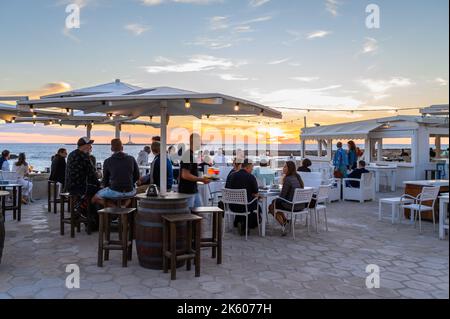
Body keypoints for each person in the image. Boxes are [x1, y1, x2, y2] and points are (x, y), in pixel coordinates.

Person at [92, 139, 140, 208]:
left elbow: (105, 180)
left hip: (115, 191)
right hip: (130, 191)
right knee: (129, 196)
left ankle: (116, 208)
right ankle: (123, 208)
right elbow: (137, 176)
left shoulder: (107, 161)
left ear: (111, 149)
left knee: (95, 198)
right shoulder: (131, 159)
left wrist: (109, 186)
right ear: (122, 148)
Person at [66, 137, 101, 227]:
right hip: (81, 187)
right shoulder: (84, 156)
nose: (91, 147)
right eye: (89, 145)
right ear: (84, 146)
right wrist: (99, 182)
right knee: (100, 192)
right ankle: (92, 220)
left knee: (95, 191)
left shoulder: (71, 154)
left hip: (70, 186)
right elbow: (92, 174)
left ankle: (80, 211)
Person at [269, 161, 305, 236]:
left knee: (272, 206)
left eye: (285, 166)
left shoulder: (288, 179)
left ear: (289, 169)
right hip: (300, 205)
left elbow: (282, 197)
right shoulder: (297, 177)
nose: (283, 168)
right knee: (275, 204)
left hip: (292, 206)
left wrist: (275, 198)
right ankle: (286, 221)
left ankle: (284, 225)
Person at [225, 159, 260, 236]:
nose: (252, 170)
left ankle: (239, 222)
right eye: (252, 168)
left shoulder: (232, 175)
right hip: (246, 206)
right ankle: (248, 225)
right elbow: (256, 192)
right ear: (248, 167)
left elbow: (226, 189)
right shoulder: (251, 177)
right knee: (256, 204)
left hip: (232, 206)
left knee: (245, 202)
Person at [179, 133, 210, 208]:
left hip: (193, 190)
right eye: (199, 141)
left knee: (199, 215)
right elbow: (185, 175)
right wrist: (201, 179)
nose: (201, 143)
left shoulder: (190, 154)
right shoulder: (188, 155)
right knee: (191, 215)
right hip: (187, 192)